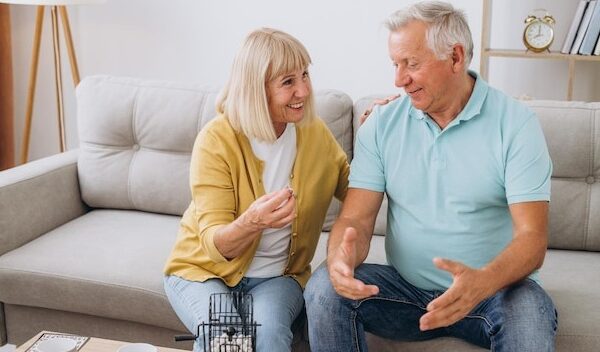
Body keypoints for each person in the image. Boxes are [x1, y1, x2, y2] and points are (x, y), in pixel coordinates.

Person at [304, 2, 557, 351]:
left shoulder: (515, 125)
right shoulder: (381, 124)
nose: (399, 79)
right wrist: (340, 261)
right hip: (406, 293)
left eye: (412, 63)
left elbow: (532, 239)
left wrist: (480, 284)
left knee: (530, 312)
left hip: (495, 292)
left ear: (455, 57)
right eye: (395, 64)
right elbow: (356, 218)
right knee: (323, 289)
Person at [163, 28, 349, 352]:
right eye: (288, 82)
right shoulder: (217, 140)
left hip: (278, 278)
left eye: (304, 75)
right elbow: (213, 244)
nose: (303, 91)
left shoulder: (313, 133)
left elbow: (357, 188)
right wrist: (253, 222)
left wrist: (381, 130)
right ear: (255, 89)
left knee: (270, 338)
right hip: (203, 272)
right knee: (226, 338)